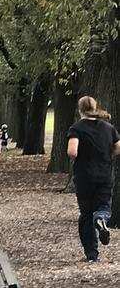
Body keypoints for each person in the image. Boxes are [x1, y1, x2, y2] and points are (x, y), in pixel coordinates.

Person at [67, 96, 120, 262]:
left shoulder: (77, 128)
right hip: (104, 174)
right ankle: (101, 219)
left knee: (86, 213)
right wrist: (109, 155)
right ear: (95, 108)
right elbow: (118, 146)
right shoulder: (108, 127)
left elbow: (72, 151)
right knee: (103, 205)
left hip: (84, 176)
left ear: (80, 109)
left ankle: (91, 254)